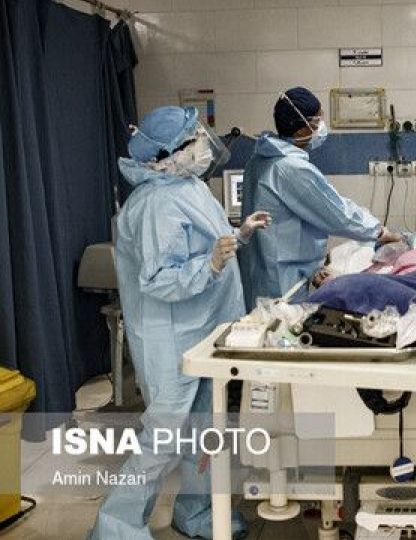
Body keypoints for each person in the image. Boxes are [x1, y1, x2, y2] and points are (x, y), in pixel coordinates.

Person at [89, 106, 269, 540]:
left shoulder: (188, 186)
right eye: (194, 138)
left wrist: (238, 235)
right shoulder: (155, 204)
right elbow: (158, 279)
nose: (203, 144)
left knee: (204, 433)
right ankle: (115, 527)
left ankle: (197, 513)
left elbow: (205, 243)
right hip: (171, 339)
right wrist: (209, 264)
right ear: (169, 154)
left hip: (205, 330)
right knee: (163, 439)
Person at [240, 87, 402, 308]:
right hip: (281, 282)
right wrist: (379, 232)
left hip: (262, 272)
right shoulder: (290, 167)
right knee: (280, 326)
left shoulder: (259, 160)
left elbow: (285, 226)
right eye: (316, 122)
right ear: (300, 130)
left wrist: (312, 268)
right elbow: (335, 213)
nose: (320, 127)